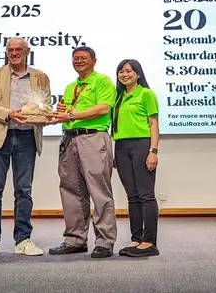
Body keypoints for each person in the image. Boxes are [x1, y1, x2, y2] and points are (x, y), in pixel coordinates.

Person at [0, 37, 51, 258]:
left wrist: (41, 113)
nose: (14, 52)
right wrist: (9, 113)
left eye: (19, 49)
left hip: (27, 138)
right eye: (10, 49)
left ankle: (23, 239)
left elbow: (45, 105)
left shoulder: (41, 76)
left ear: (27, 51)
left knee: (24, 191)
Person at [47, 46, 118, 258]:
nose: (78, 61)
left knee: (99, 190)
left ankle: (105, 241)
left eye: (83, 58)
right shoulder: (71, 86)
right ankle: (75, 239)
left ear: (94, 61)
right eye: (75, 58)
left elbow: (103, 108)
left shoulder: (102, 81)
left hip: (93, 138)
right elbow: (66, 111)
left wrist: (70, 115)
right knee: (71, 191)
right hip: (69, 139)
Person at [112, 59, 160, 257]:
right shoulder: (119, 97)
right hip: (121, 146)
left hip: (141, 145)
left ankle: (149, 242)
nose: (124, 74)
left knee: (145, 195)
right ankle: (136, 239)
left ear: (138, 74)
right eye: (121, 71)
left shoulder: (146, 94)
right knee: (132, 196)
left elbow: (154, 124)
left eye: (129, 71)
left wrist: (153, 151)